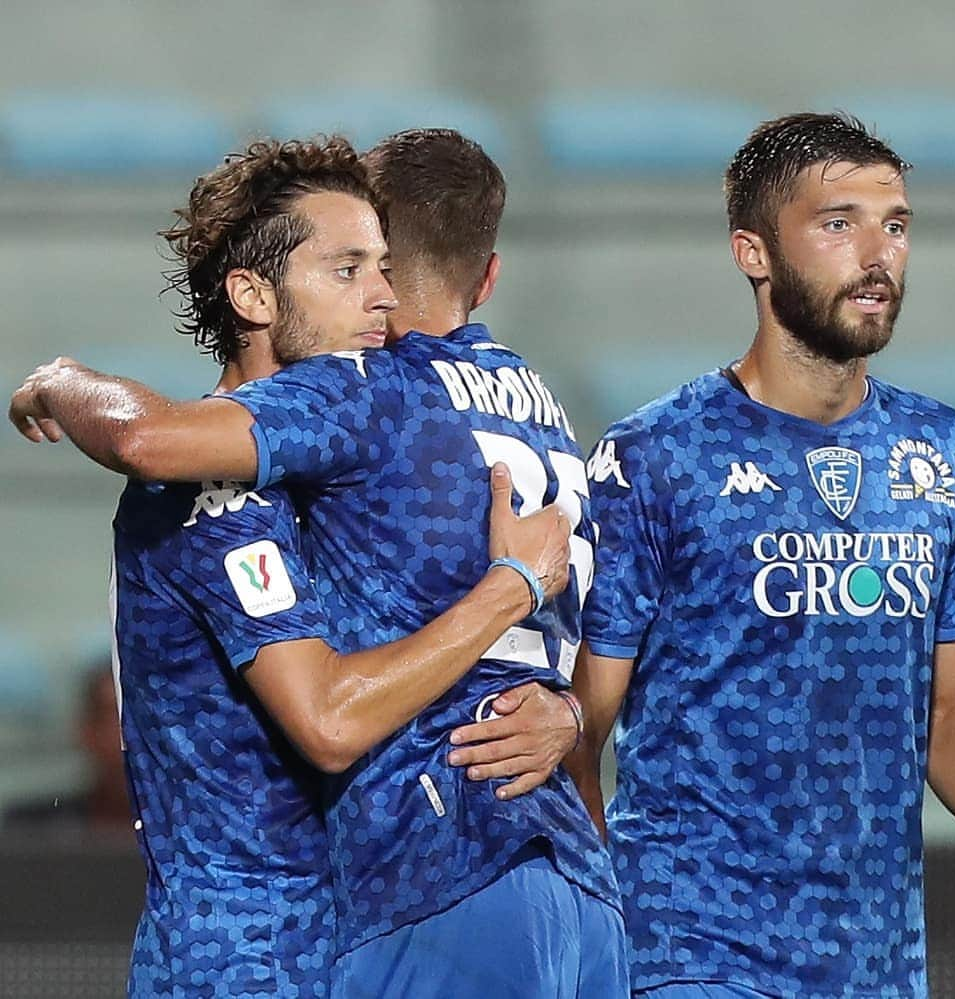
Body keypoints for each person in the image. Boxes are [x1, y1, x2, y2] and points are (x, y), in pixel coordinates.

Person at [10, 129, 627, 998]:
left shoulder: (329, 475)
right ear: (253, 296)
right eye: (348, 271)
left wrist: (556, 709)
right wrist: (506, 591)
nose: (383, 297)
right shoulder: (220, 493)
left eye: (383, 265)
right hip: (247, 960)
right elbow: (330, 721)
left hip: (345, 928)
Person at [566, 111, 955, 999]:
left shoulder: (938, 450)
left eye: (896, 224)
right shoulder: (656, 454)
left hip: (877, 961)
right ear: (751, 253)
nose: (876, 252)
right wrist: (595, 922)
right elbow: (580, 724)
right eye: (838, 223)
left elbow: (952, 706)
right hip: (694, 951)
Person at [3, 659, 132, 835]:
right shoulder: (32, 833)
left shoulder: (181, 833)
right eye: (117, 719)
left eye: (150, 721)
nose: (134, 737)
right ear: (87, 732)